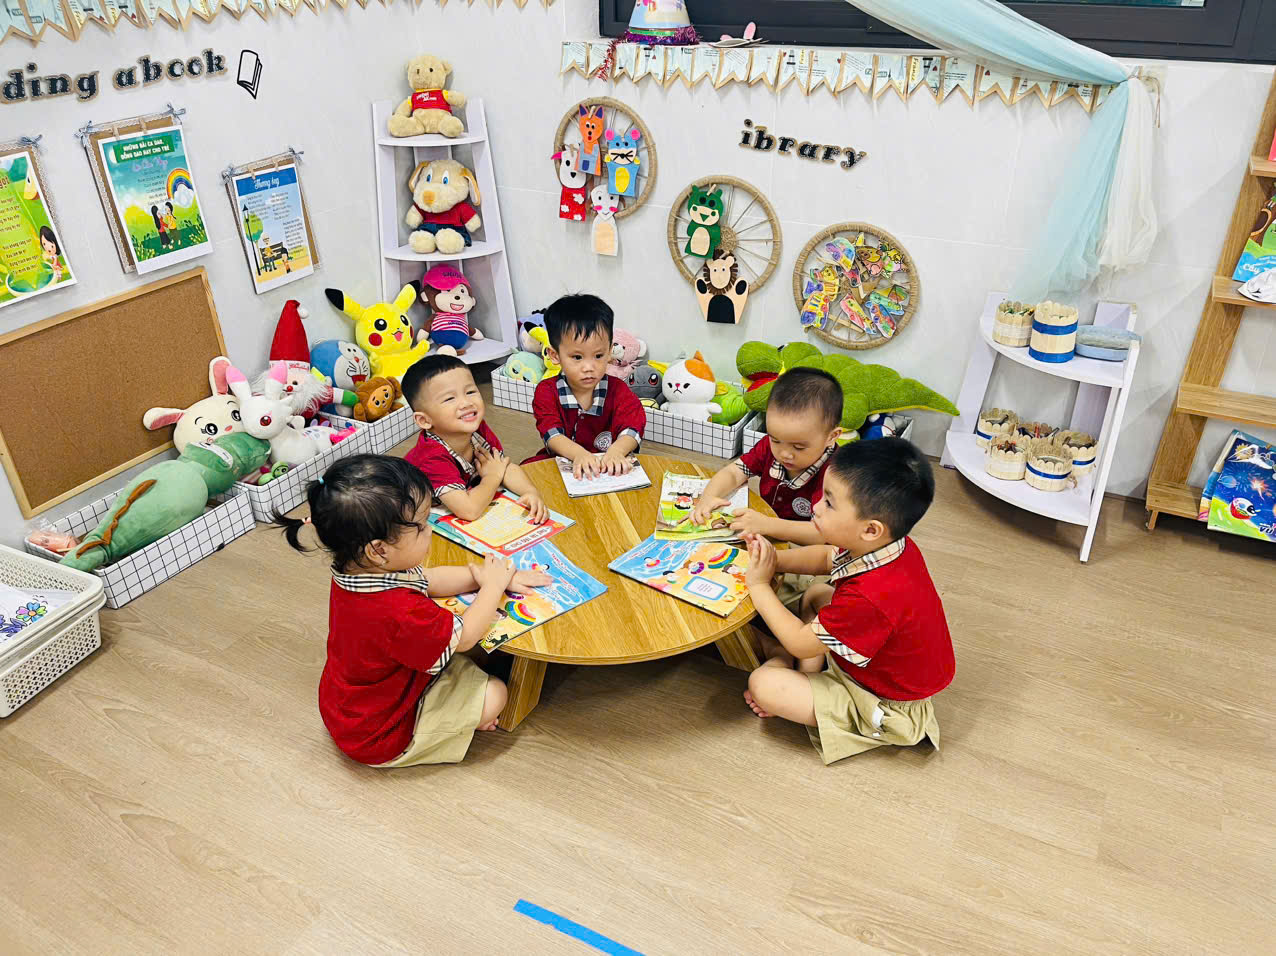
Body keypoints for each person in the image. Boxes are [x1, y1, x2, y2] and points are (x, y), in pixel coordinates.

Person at [274, 455, 552, 766]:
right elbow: (465, 638)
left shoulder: (356, 570)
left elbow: (429, 579)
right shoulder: (399, 612)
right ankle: (446, 731)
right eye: (420, 527)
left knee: (471, 664)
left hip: (351, 704)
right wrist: (492, 587)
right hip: (379, 734)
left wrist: (492, 577)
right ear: (379, 549)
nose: (430, 530)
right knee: (497, 692)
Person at [740, 438, 955, 765]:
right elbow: (827, 558)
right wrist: (775, 562)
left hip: (883, 701)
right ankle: (808, 674)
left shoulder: (871, 597)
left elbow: (800, 643)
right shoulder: (890, 543)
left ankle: (780, 659)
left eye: (829, 502)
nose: (816, 507)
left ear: (870, 529)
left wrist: (758, 584)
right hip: (871, 660)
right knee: (816, 595)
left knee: (764, 685)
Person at [690, 367, 842, 604]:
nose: (784, 453)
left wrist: (766, 524)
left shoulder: (836, 473)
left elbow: (822, 535)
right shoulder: (771, 447)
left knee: (760, 595)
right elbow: (734, 472)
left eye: (799, 447)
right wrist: (708, 496)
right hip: (765, 530)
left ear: (832, 436)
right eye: (775, 439)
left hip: (809, 553)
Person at [400, 354, 547, 522]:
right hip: (408, 518)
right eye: (449, 398)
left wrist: (530, 492)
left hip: (463, 495)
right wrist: (491, 477)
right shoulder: (431, 457)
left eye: (470, 392)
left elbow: (503, 467)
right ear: (424, 420)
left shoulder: (477, 429)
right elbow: (469, 511)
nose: (466, 403)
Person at [529, 293, 646, 479]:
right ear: (554, 355)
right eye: (577, 357)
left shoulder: (618, 389)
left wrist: (617, 451)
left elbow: (633, 426)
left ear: (610, 351)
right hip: (564, 460)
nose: (589, 367)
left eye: (598, 356)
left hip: (608, 464)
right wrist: (579, 455)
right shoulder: (547, 391)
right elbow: (552, 434)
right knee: (527, 472)